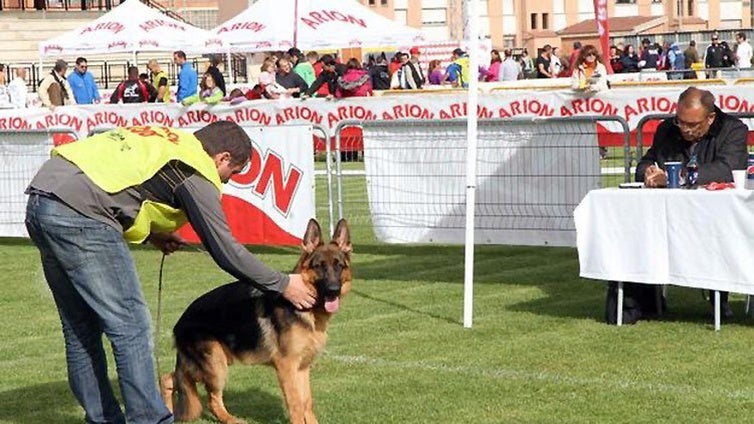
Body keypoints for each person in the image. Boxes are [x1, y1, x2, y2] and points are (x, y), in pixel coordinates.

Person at [24, 121, 317, 424]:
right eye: (234, 173)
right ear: (223, 158)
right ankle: (151, 419)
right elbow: (226, 251)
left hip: (41, 198)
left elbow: (120, 183)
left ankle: (103, 419)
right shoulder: (195, 169)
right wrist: (283, 283)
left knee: (80, 330)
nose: (228, 182)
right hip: (80, 214)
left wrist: (152, 234)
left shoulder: (169, 140)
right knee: (131, 327)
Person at [636, 87, 747, 320]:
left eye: (693, 125)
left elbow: (728, 169)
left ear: (711, 118)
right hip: (671, 218)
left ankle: (721, 297)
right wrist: (647, 171)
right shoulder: (667, 129)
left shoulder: (733, 130)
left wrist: (679, 176)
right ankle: (642, 300)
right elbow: (647, 160)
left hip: (719, 218)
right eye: (681, 122)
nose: (685, 129)